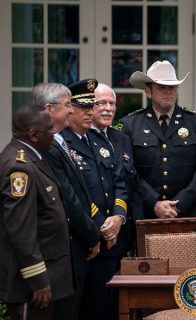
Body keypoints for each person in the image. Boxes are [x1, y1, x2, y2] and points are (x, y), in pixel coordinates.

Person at [32, 83, 100, 320]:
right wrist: (93, 235)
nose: (72, 111)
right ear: (49, 109)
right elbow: (69, 197)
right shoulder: (48, 145)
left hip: (76, 246)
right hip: (66, 248)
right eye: (68, 105)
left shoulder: (57, 141)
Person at [61, 79, 128, 320]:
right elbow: (75, 194)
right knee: (84, 309)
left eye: (93, 107)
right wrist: (102, 225)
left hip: (112, 239)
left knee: (106, 308)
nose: (92, 113)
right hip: (88, 239)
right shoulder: (64, 143)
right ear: (70, 110)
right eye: (86, 108)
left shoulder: (101, 140)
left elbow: (119, 181)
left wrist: (118, 217)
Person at [0, 104, 73, 320]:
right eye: (50, 129)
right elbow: (21, 230)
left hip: (51, 279)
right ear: (33, 134)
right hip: (33, 288)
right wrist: (38, 280)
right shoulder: (19, 167)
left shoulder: (34, 157)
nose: (54, 133)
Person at [120, 60, 196, 219]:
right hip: (146, 213)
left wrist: (180, 204)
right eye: (161, 87)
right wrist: (154, 202)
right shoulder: (130, 124)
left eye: (172, 87)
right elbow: (129, 171)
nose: (168, 92)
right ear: (148, 92)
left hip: (187, 213)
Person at [92, 83, 141, 252]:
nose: (108, 109)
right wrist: (105, 226)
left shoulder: (122, 139)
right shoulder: (82, 139)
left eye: (112, 103)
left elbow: (126, 182)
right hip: (95, 232)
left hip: (122, 230)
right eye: (101, 103)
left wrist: (119, 216)